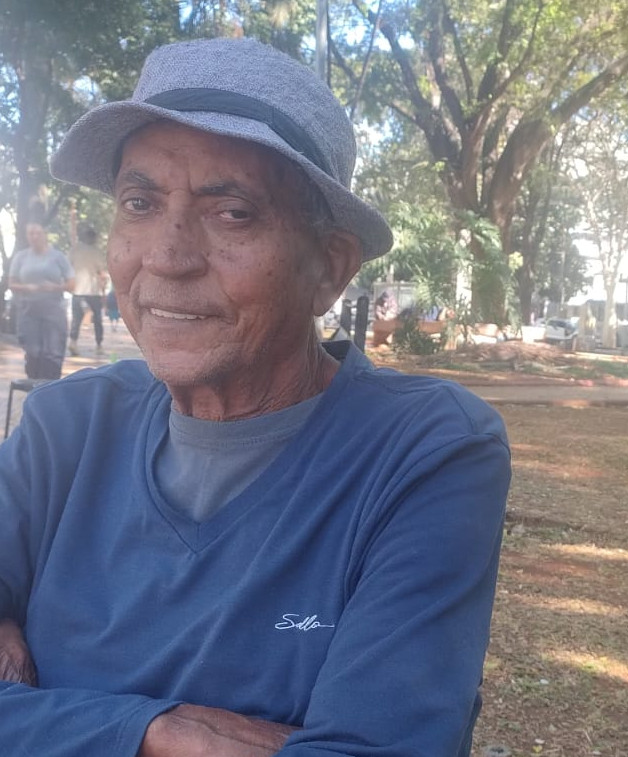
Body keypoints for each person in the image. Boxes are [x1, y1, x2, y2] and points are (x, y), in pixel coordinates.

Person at [0, 37, 511, 757]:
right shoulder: (68, 427)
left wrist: (41, 719)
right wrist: (158, 731)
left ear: (328, 268)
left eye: (232, 212)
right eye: (139, 203)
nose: (167, 257)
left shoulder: (423, 451)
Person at [8, 221, 75, 379]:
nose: (35, 237)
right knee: (33, 353)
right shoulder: (21, 257)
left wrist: (55, 287)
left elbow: (72, 285)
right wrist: (27, 287)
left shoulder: (58, 257)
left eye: (38, 233)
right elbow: (11, 283)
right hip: (28, 311)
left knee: (53, 353)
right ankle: (34, 388)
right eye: (31, 233)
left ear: (45, 234)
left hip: (53, 311)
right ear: (27, 236)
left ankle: (51, 387)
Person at [68, 223, 107, 356]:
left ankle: (73, 342)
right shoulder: (97, 252)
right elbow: (102, 274)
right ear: (93, 238)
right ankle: (99, 345)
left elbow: (68, 267)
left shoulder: (74, 250)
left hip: (77, 290)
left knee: (76, 318)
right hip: (93, 291)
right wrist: (103, 291)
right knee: (97, 319)